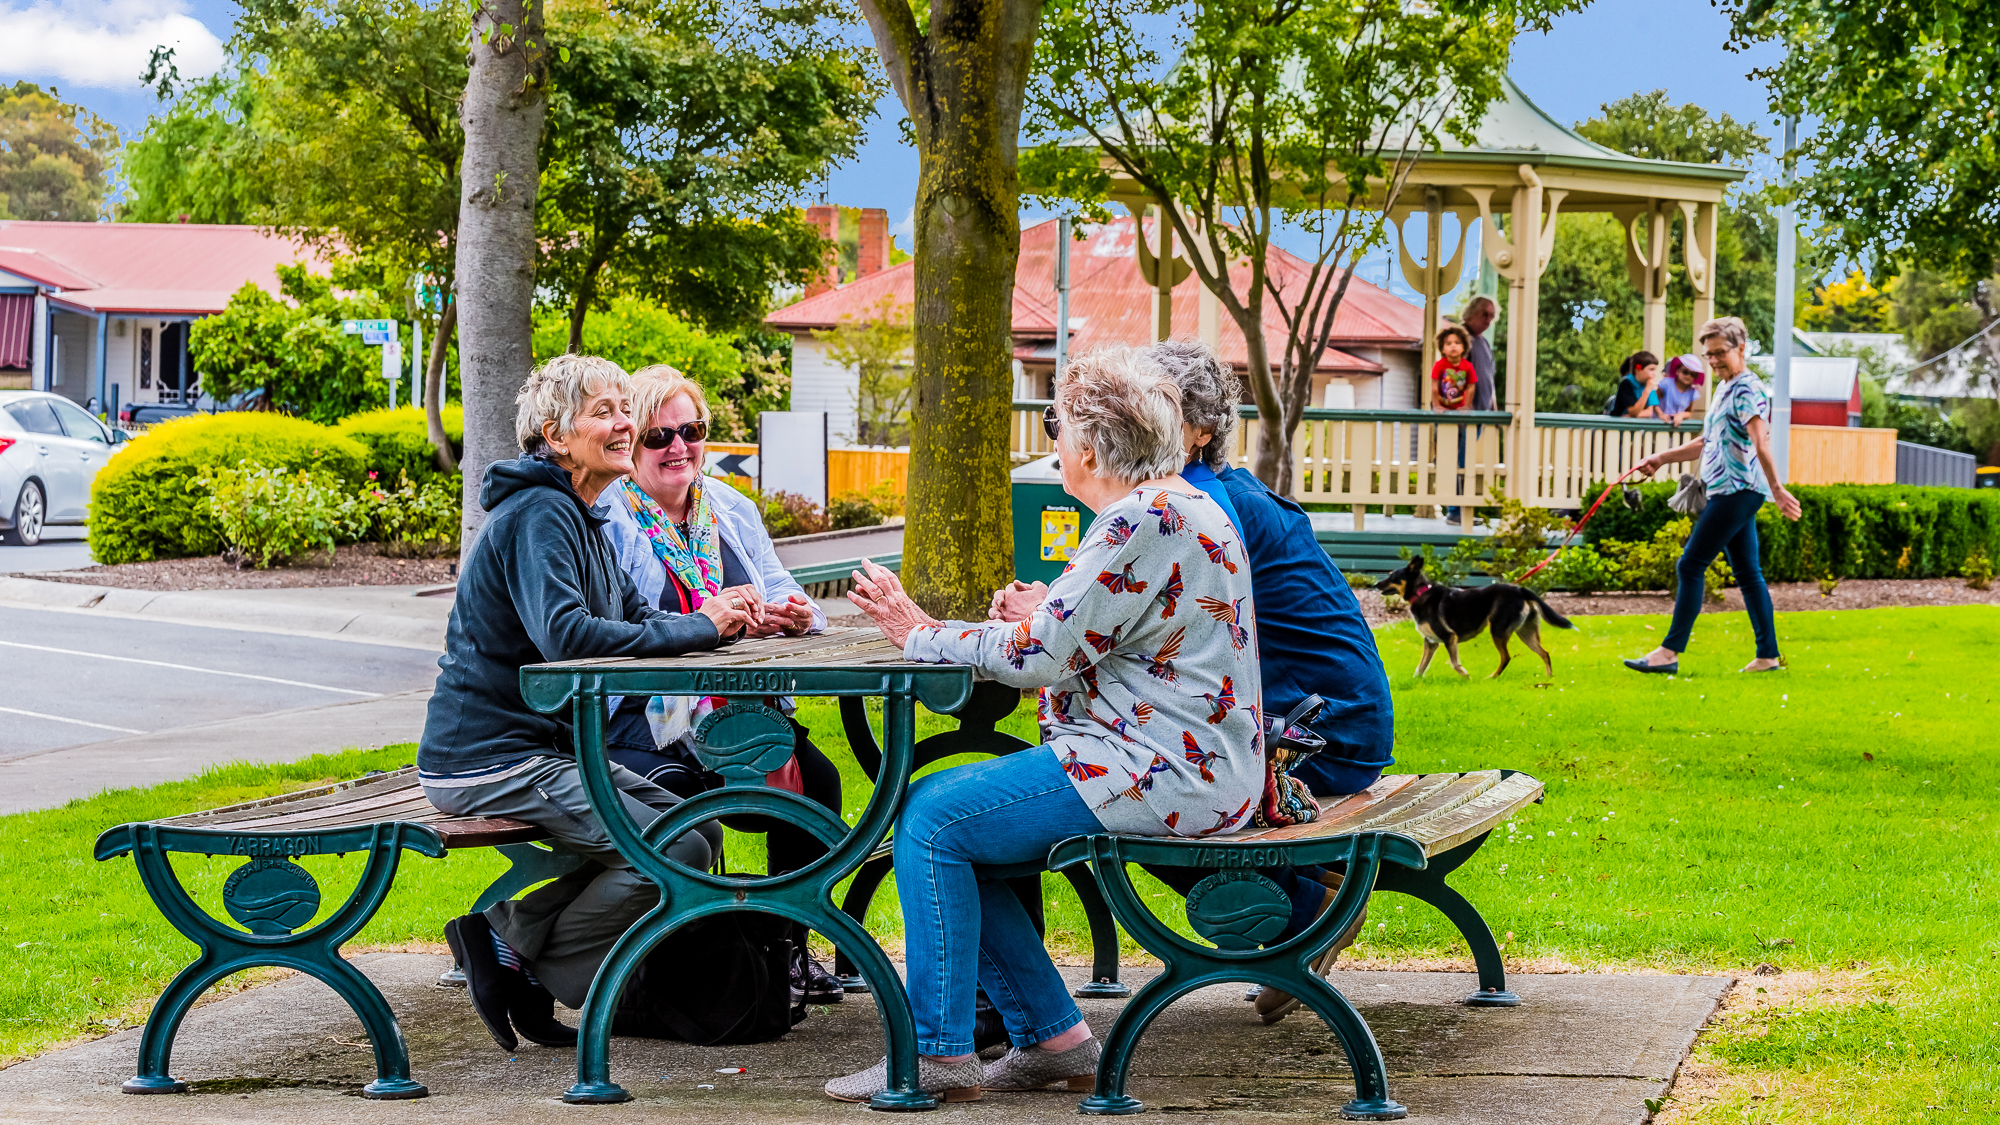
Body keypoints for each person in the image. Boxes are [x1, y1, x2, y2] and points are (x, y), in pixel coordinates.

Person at [825, 346, 1264, 1103]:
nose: (1054, 443)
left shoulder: (1140, 515)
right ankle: (1053, 1040)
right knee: (960, 837)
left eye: (1057, 428)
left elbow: (1038, 653)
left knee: (930, 819)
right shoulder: (1182, 505)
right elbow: (1091, 631)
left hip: (1160, 766)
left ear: (1090, 447)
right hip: (1190, 763)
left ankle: (937, 1056)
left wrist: (917, 630)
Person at [420, 354, 756, 1052]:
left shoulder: (587, 516)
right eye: (604, 411)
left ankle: (509, 941)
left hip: (542, 749)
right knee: (670, 851)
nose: (624, 424)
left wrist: (711, 616)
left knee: (701, 832)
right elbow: (565, 635)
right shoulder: (541, 511)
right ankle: (524, 958)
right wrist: (701, 625)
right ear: (553, 432)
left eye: (623, 410)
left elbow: (639, 618)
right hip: (487, 756)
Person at [1148, 338, 1393, 1024]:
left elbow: (1161, 635)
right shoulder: (1211, 493)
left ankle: (1305, 912)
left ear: (1197, 432)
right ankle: (1308, 901)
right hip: (1332, 720)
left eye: (1151, 404)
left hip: (1321, 735)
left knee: (1135, 793)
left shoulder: (1204, 502)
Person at [598, 364, 845, 1003]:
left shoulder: (730, 506)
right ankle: (701, 974)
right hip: (646, 723)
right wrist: (707, 624)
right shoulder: (609, 517)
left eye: (691, 429)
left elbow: (792, 593)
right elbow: (610, 628)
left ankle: (787, 950)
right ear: (632, 446)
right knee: (678, 804)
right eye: (659, 436)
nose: (679, 447)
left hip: (739, 707)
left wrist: (794, 615)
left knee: (818, 785)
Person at [1623, 317, 1802, 675]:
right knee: (1749, 573)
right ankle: (1768, 656)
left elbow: (1760, 440)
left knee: (1690, 565)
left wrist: (1778, 489)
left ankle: (1669, 653)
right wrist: (1660, 458)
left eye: (1720, 352)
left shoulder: (1748, 389)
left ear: (1741, 348)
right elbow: (1707, 442)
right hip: (1728, 490)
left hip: (1738, 491)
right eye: (1708, 355)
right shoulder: (1724, 388)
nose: (1714, 360)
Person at [1462, 296, 1498, 411]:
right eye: (1485, 314)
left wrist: (1495, 412)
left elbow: (1490, 381)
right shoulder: (1459, 338)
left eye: (1491, 315)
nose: (1488, 319)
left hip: (1482, 417)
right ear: (1472, 312)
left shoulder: (1485, 344)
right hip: (1463, 416)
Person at [1430, 325, 1477, 411]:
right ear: (1442, 349)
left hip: (1460, 408)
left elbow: (1471, 387)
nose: (1453, 346)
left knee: (1462, 422)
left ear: (1463, 347)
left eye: (1457, 343)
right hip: (1442, 407)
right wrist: (1436, 405)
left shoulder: (1468, 366)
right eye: (1448, 343)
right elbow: (1434, 387)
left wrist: (1467, 405)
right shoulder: (1439, 365)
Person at [1610, 351, 1664, 419]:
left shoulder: (1648, 384)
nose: (1654, 374)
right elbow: (1633, 412)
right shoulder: (1626, 383)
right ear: (1638, 369)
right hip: (1618, 426)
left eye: (1655, 370)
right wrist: (1647, 390)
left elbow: (1649, 412)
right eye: (1651, 369)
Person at [1657, 353, 1705, 424]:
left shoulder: (1692, 392)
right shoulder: (1666, 384)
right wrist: (1661, 414)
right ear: (1677, 371)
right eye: (1685, 372)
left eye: (1693, 374)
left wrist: (1681, 415)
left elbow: (1689, 412)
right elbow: (1653, 401)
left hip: (1675, 427)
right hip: (1658, 424)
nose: (1688, 376)